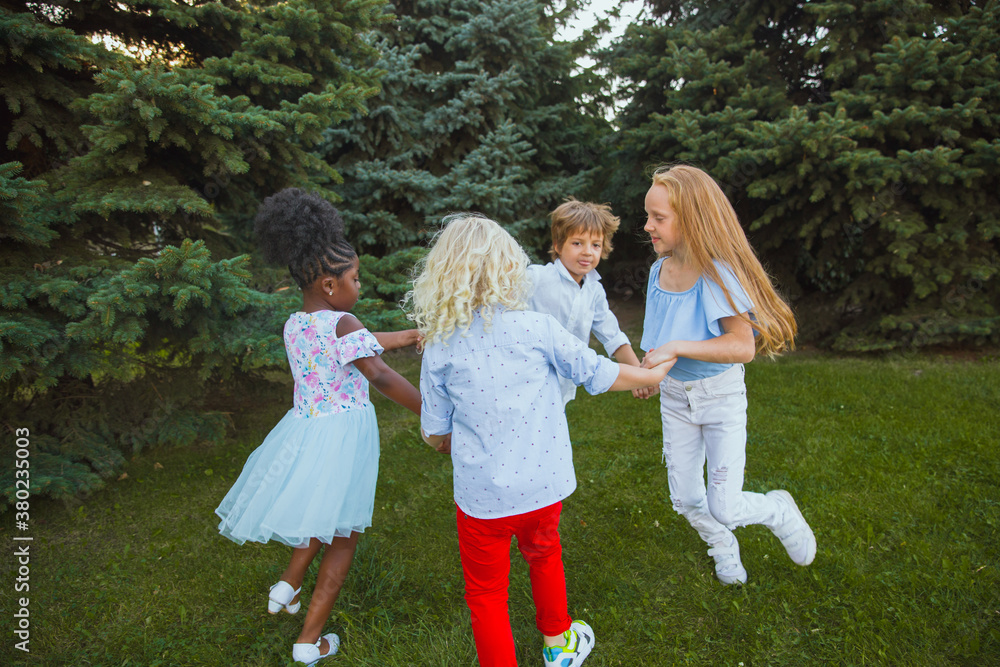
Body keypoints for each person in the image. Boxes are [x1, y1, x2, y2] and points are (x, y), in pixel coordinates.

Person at [408, 214, 672, 667]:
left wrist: (445, 443)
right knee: (545, 554)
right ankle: (557, 645)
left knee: (486, 593)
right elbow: (598, 374)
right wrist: (652, 373)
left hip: (481, 498)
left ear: (443, 273)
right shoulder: (537, 327)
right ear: (511, 267)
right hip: (543, 486)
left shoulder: (440, 345)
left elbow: (434, 430)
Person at [214, 188, 436, 666]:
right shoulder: (344, 323)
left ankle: (288, 585)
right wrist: (431, 412)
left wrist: (412, 335)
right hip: (343, 437)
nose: (360, 286)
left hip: (307, 430)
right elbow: (377, 372)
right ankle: (307, 642)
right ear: (332, 287)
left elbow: (364, 342)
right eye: (355, 278)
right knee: (341, 535)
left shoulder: (299, 323)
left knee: (316, 513)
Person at [638, 164, 815, 585]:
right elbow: (657, 336)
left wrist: (677, 348)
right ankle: (722, 544)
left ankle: (778, 510)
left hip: (720, 399)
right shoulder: (657, 272)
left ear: (692, 219)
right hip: (676, 399)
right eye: (648, 216)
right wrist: (652, 371)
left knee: (727, 505)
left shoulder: (717, 274)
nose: (647, 226)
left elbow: (742, 347)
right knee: (684, 499)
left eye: (658, 218)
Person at [527, 198, 642, 406]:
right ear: (558, 245)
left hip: (561, 387)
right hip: (526, 379)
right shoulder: (536, 278)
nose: (588, 251)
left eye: (595, 245)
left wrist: (639, 376)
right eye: (577, 243)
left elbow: (612, 336)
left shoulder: (594, 290)